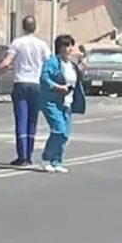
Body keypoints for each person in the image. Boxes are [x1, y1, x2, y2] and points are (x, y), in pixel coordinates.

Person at [0, 15, 50, 167]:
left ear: (23, 27)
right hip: (35, 84)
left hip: (21, 83)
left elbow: (7, 62)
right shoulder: (42, 45)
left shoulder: (17, 43)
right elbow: (48, 62)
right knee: (32, 121)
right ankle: (29, 155)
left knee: (21, 119)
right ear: (35, 27)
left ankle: (22, 156)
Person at [39, 34, 87, 173]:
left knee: (65, 134)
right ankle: (46, 158)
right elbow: (44, 78)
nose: (69, 48)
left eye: (71, 45)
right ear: (59, 48)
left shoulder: (71, 65)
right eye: (66, 46)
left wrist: (82, 70)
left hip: (67, 102)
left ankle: (57, 161)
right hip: (52, 101)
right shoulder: (52, 62)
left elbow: (78, 80)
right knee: (58, 130)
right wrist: (58, 88)